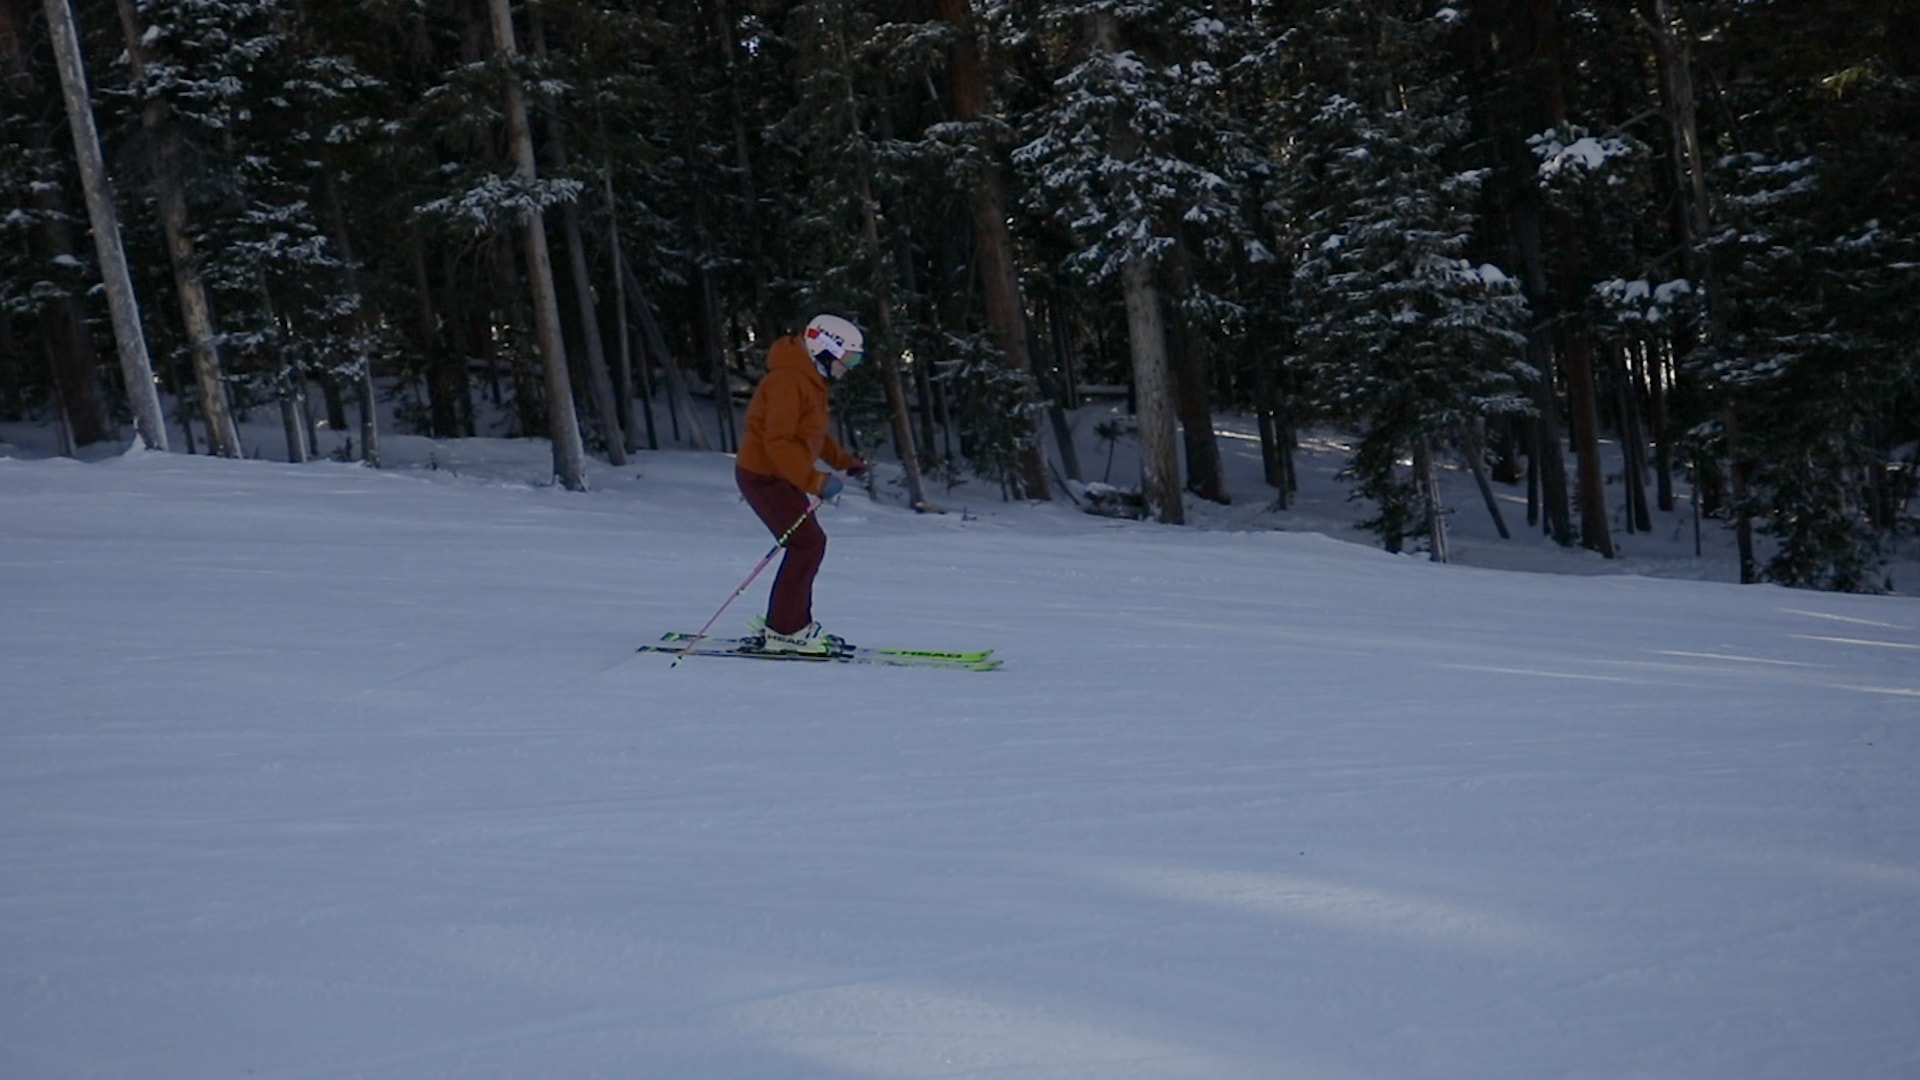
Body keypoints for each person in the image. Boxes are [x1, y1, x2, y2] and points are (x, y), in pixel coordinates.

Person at [734, 313, 870, 654]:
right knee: (807, 545)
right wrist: (816, 481)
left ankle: (789, 624)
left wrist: (844, 462)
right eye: (848, 358)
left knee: (807, 544)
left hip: (780, 475)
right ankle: (786, 630)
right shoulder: (787, 382)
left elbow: (811, 435)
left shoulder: (806, 380)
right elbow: (778, 442)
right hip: (764, 476)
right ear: (824, 349)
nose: (849, 367)